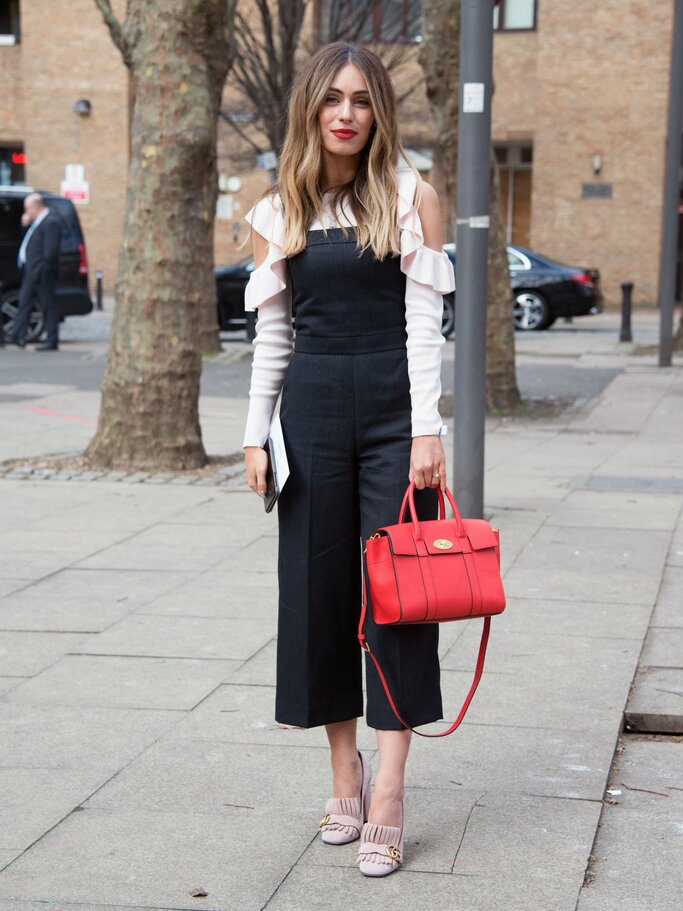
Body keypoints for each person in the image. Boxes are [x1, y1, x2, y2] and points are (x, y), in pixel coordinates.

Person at [242, 42, 455, 878]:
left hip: (395, 414)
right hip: (313, 413)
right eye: (332, 99)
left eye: (361, 101)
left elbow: (422, 329)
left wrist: (426, 430)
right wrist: (255, 433)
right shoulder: (277, 209)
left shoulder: (412, 196)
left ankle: (392, 788)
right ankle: (344, 772)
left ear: (378, 113)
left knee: (398, 596)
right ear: (311, 109)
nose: (345, 113)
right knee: (320, 592)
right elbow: (272, 333)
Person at [9, 192, 62, 351]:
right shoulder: (36, 223)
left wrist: (42, 269)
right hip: (31, 271)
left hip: (41, 272)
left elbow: (50, 251)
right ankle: (17, 335)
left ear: (35, 207)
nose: (26, 212)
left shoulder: (50, 222)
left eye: (27, 209)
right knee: (24, 301)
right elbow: (30, 243)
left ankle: (52, 340)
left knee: (48, 305)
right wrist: (25, 226)